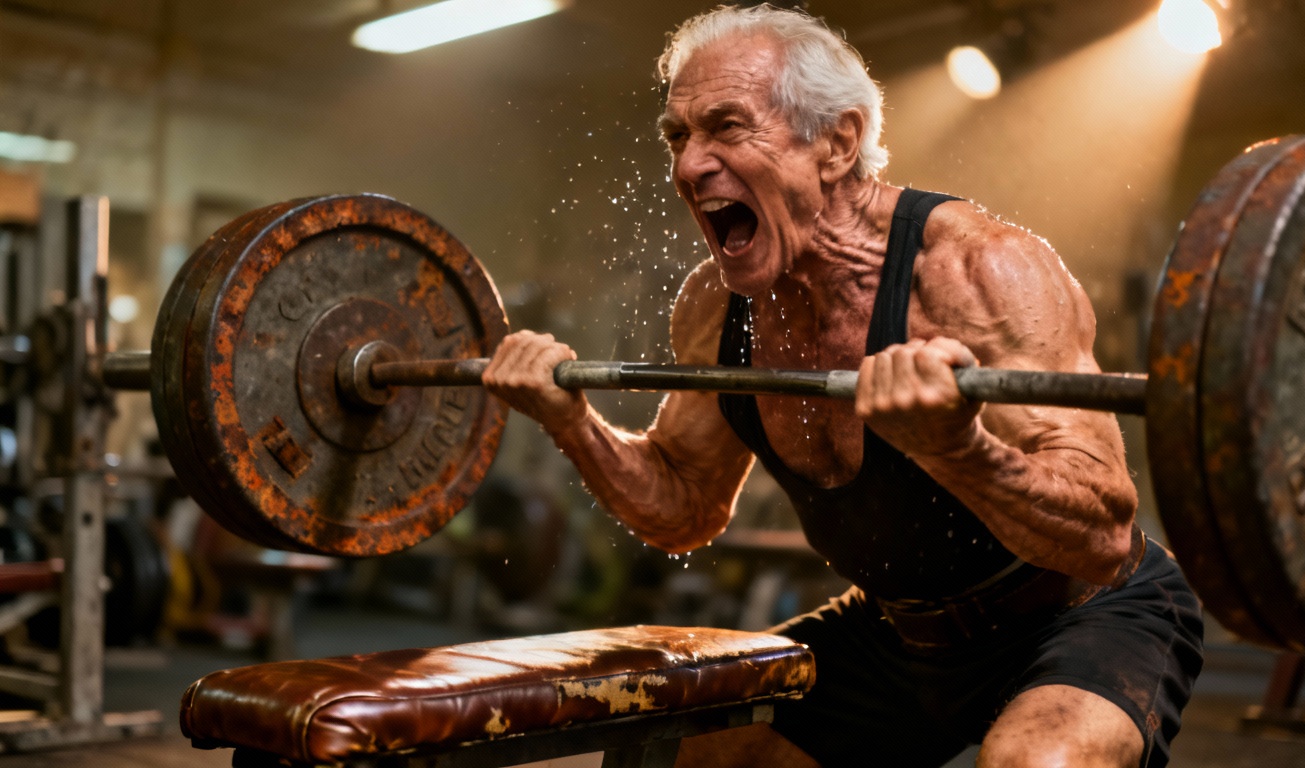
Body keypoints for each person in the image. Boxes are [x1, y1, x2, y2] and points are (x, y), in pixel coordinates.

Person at [482, 5, 1203, 767]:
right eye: (678, 136)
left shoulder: (978, 271)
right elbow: (684, 508)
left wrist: (956, 450)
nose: (689, 166)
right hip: (893, 635)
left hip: (1084, 614)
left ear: (837, 143)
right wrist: (571, 422)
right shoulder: (716, 307)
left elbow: (1101, 539)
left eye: (727, 128)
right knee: (675, 752)